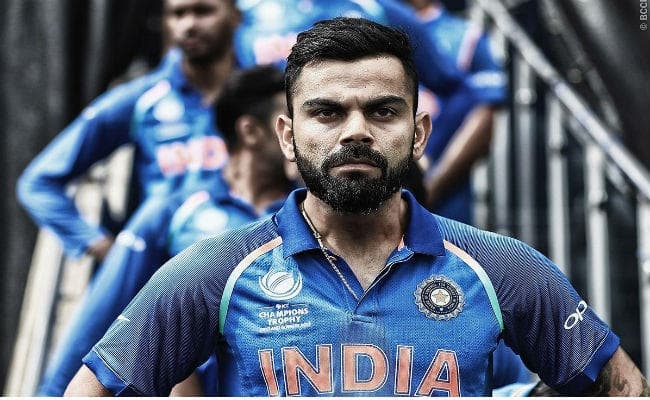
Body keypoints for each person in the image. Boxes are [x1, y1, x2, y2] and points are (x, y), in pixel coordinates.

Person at [65, 18, 648, 396]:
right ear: (287, 137)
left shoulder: (500, 268)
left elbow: (621, 385)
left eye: (383, 111)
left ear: (419, 134)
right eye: (327, 112)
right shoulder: (218, 270)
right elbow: (92, 389)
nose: (356, 132)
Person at [37, 65, 291, 396]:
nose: (300, 134)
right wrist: (50, 393)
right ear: (251, 132)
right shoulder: (173, 211)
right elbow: (102, 315)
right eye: (287, 122)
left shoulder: (312, 215)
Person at [16, 0, 240, 262]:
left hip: (254, 262)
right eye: (178, 14)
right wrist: (104, 248)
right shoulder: (142, 99)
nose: (189, 25)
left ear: (235, 15)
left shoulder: (265, 94)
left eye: (203, 11)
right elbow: (38, 182)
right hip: (172, 270)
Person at [404, 0, 506, 224]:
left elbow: (485, 119)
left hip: (445, 201)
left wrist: (429, 189)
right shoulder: (364, 20)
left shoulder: (467, 36)